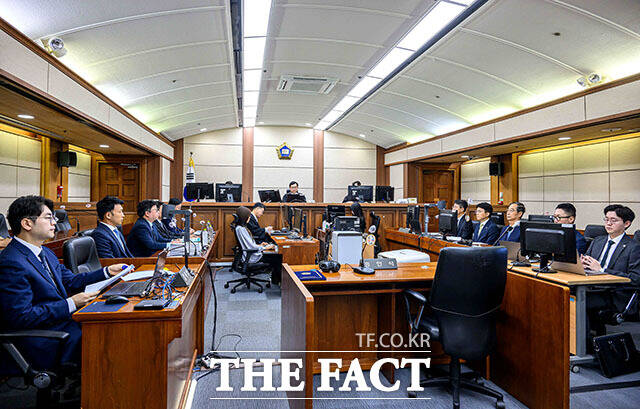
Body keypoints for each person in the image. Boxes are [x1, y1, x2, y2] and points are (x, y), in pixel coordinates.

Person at [0, 195, 126, 370]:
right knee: (107, 337)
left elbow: (71, 281)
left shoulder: (45, 252)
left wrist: (106, 272)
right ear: (27, 224)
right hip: (41, 339)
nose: (54, 222)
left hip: (59, 323)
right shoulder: (12, 262)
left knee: (114, 326)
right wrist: (71, 303)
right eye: (48, 217)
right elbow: (22, 317)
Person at [581, 205, 640, 336]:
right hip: (591, 288)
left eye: (614, 220)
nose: (608, 223)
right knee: (565, 295)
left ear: (627, 223)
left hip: (614, 294)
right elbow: (587, 263)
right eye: (606, 219)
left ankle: (586, 343)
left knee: (580, 302)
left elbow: (636, 279)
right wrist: (581, 264)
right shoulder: (597, 241)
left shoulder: (634, 247)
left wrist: (602, 270)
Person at [235, 206, 283, 285]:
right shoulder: (242, 229)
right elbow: (251, 247)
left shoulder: (239, 227)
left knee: (275, 256)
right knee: (278, 257)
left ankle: (276, 280)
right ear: (244, 217)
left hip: (249, 254)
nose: (249, 218)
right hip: (251, 256)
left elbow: (249, 244)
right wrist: (264, 247)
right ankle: (277, 281)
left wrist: (260, 244)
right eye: (248, 217)